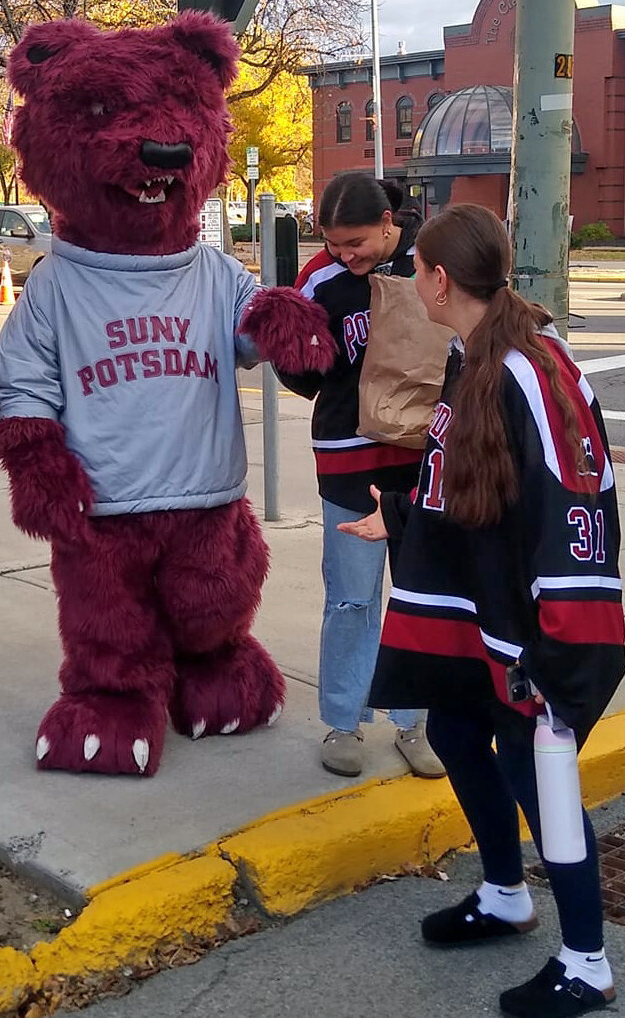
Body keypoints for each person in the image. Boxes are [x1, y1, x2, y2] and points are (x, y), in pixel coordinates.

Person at [340, 203, 625, 1017]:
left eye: (415, 269)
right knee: (458, 730)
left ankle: (587, 961)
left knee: (537, 771)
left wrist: (559, 644)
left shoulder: (534, 369)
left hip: (529, 623)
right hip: (481, 607)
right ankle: (505, 894)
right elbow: (474, 489)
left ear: (437, 278)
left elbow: (574, 505)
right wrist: (397, 515)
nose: (410, 282)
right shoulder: (473, 353)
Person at [280, 171, 445, 779]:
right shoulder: (319, 280)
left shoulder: (432, 260)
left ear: (387, 225)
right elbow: (297, 372)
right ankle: (343, 722)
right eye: (333, 244)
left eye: (356, 243)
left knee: (418, 592)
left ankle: (413, 721)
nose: (344, 256)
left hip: (423, 459)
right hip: (348, 460)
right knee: (351, 597)